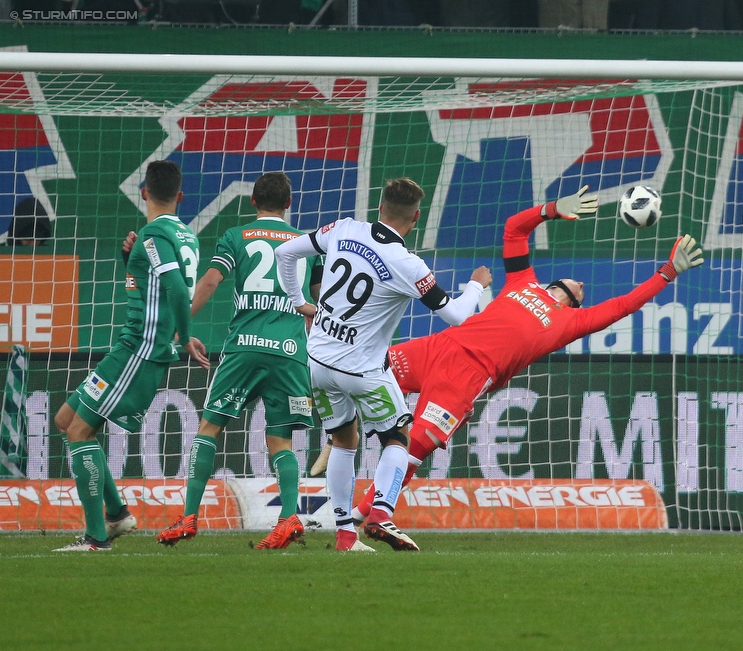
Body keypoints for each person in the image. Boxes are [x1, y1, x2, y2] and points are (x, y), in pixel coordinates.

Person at [350, 186, 704, 534]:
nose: (581, 282)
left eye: (583, 290)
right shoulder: (522, 281)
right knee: (352, 368)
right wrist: (551, 209)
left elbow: (623, 305)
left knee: (414, 449)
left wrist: (665, 274)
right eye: (577, 282)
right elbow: (514, 229)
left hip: (468, 374)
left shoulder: (571, 322)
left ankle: (360, 516)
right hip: (439, 347)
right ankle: (326, 432)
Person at [275, 177, 491, 552]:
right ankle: (380, 514)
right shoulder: (408, 263)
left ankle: (345, 535)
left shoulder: (343, 228)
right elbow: (456, 316)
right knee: (397, 437)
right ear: (416, 217)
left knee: (343, 441)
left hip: (318, 361)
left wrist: (300, 304)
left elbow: (286, 254)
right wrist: (476, 285)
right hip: (362, 370)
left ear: (379, 207)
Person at [156, 172, 322, 550]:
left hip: (244, 347)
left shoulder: (237, 236)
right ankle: (288, 517)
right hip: (290, 352)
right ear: (289, 203)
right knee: (280, 438)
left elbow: (211, 281)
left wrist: (180, 329)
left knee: (210, 427)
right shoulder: (307, 245)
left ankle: (188, 517)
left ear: (252, 202)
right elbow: (317, 306)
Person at [52, 160, 209, 552]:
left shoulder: (154, 233)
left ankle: (96, 538)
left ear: (143, 192)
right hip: (132, 345)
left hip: (140, 348)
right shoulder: (186, 235)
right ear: (181, 196)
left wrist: (185, 337)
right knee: (66, 419)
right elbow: (157, 284)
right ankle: (117, 514)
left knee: (78, 433)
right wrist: (131, 260)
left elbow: (174, 288)